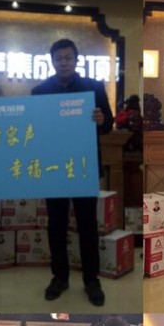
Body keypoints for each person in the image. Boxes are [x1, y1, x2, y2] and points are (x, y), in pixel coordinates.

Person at [32, 39, 114, 307]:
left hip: (83, 166)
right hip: (53, 167)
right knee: (56, 224)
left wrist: (102, 120)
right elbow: (34, 128)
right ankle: (60, 277)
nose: (63, 63)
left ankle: (92, 280)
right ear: (52, 61)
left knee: (87, 224)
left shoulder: (93, 87)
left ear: (76, 60)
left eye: (68, 58)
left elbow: (108, 125)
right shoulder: (40, 92)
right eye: (59, 59)